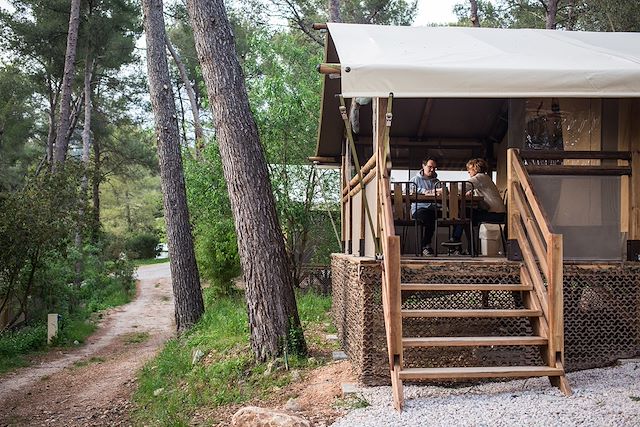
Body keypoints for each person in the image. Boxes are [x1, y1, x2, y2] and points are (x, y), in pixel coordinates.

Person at [444, 158, 506, 250]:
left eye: (469, 169)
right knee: (464, 215)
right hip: (494, 213)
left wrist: (442, 190)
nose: (468, 172)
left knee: (463, 214)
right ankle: (468, 247)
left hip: (495, 215)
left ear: (475, 169)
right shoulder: (484, 178)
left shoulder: (480, 177)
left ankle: (457, 241)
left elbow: (461, 187)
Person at [411, 157, 440, 256]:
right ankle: (425, 245)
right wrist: (425, 191)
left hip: (433, 208)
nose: (432, 170)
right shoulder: (415, 180)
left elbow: (440, 194)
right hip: (419, 209)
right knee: (430, 217)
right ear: (423, 166)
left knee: (454, 215)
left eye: (434, 168)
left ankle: (454, 246)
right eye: (430, 167)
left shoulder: (437, 181)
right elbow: (409, 190)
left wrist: (442, 192)